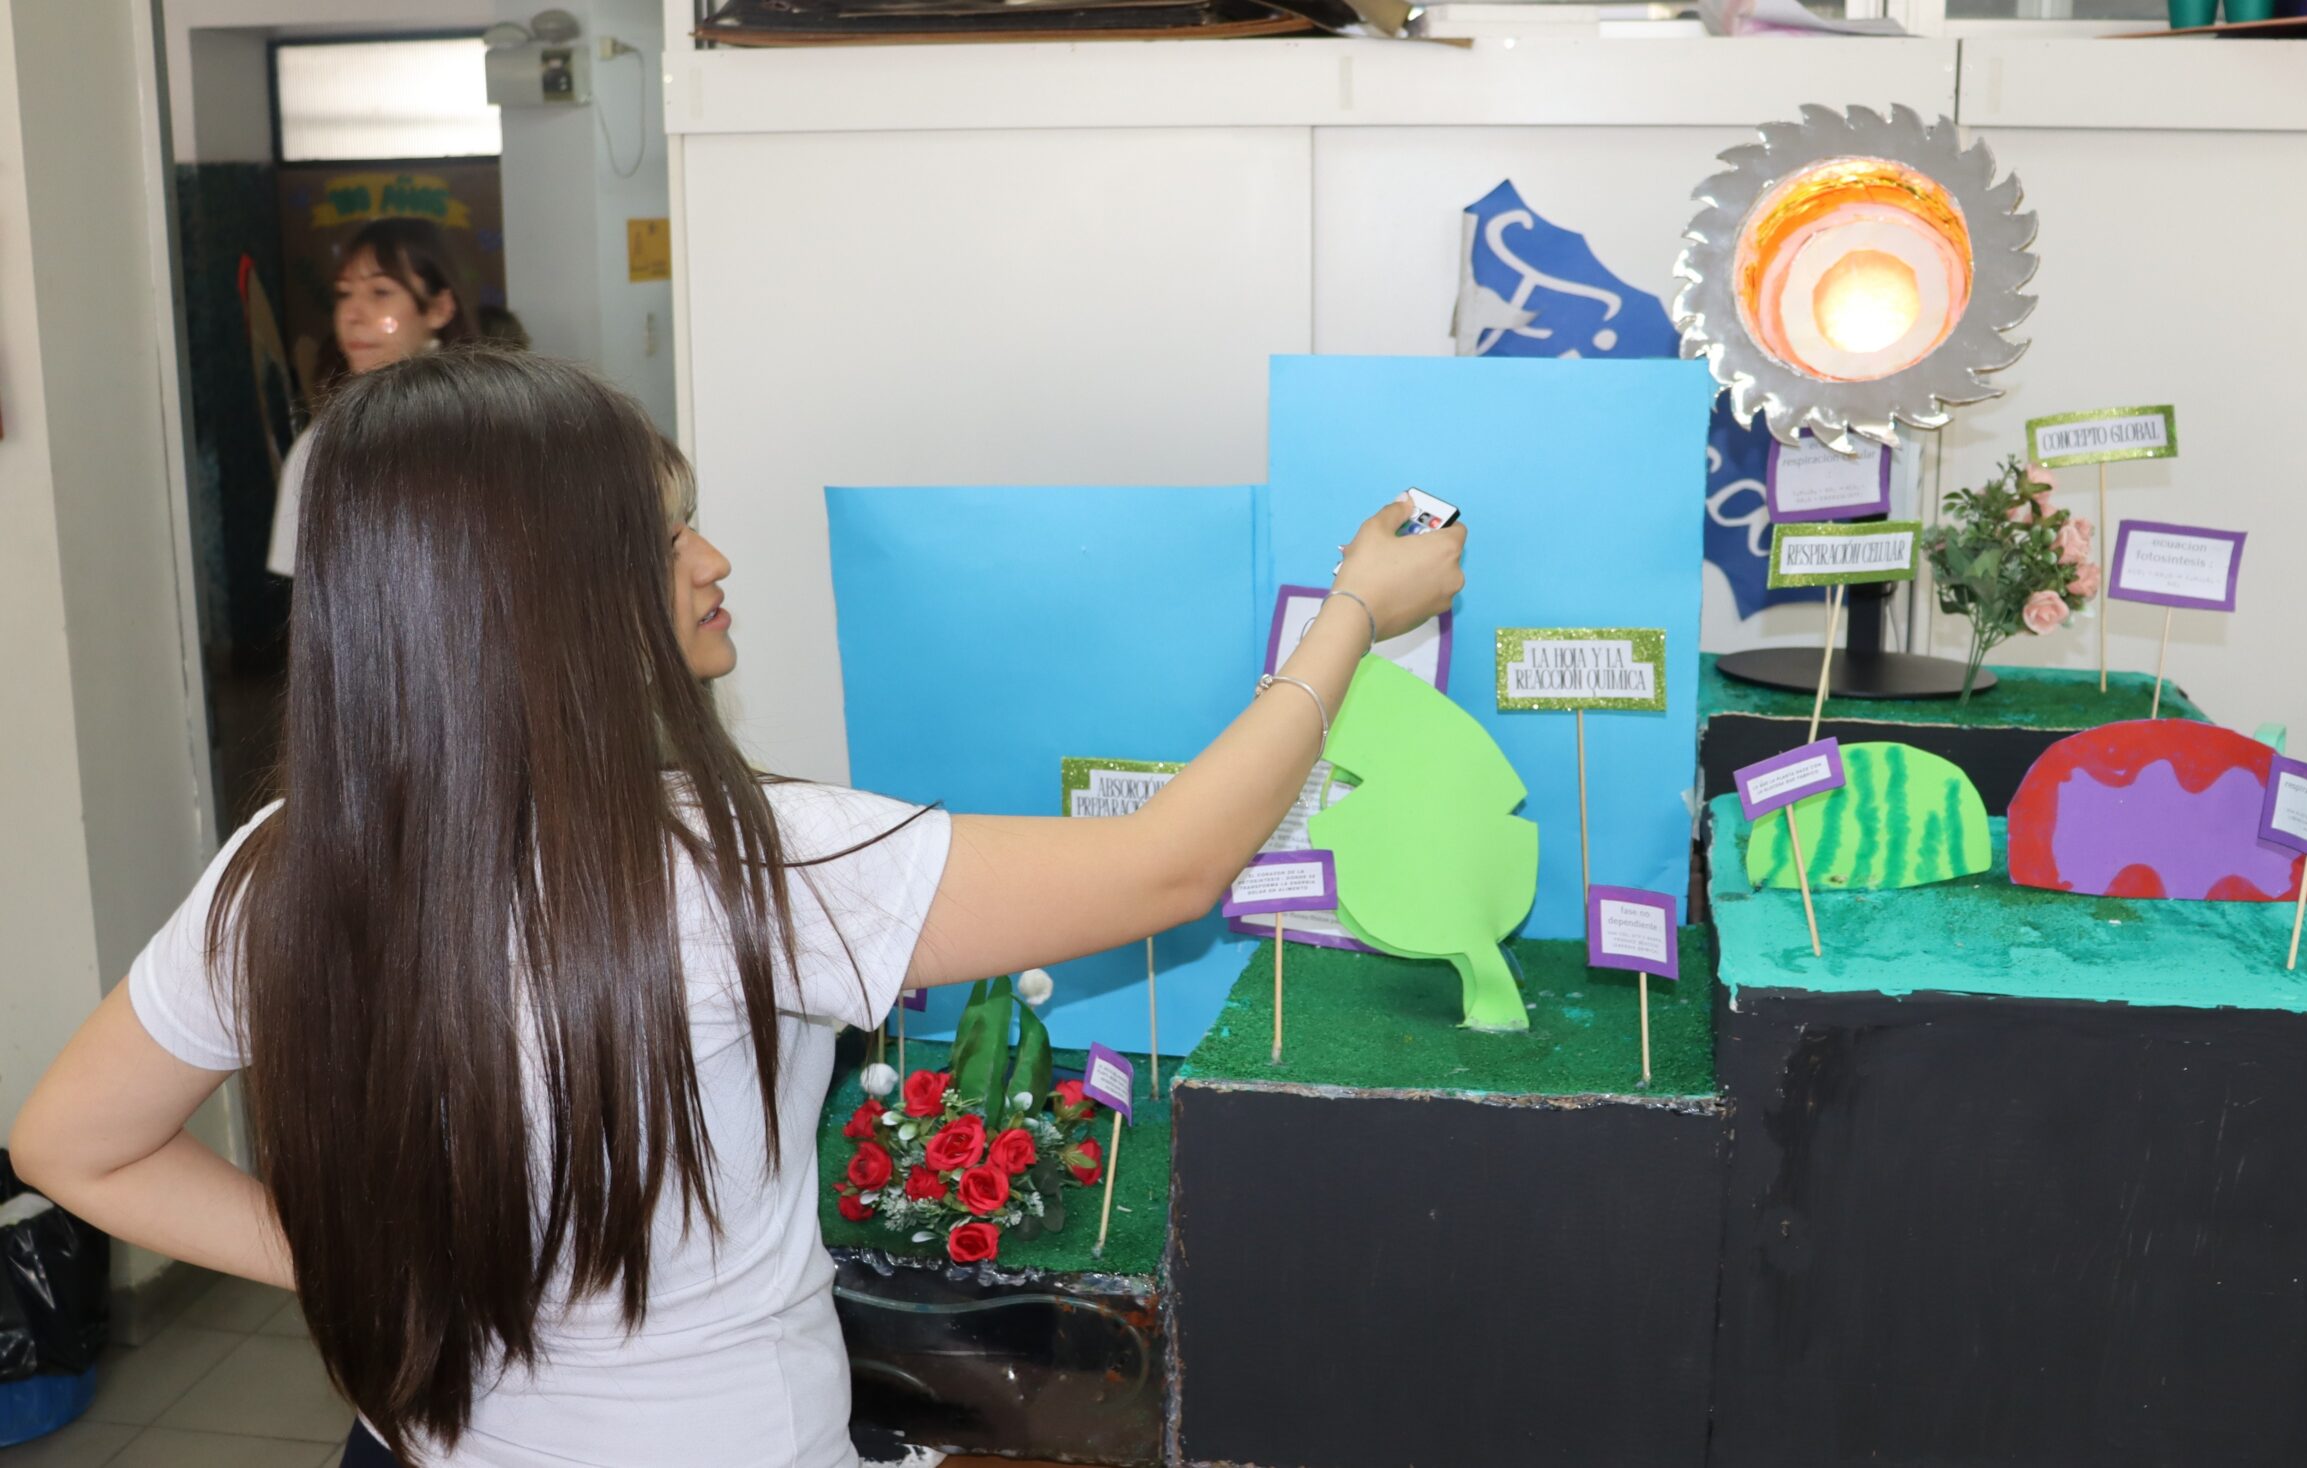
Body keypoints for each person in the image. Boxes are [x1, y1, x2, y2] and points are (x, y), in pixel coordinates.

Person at [9, 350, 1463, 1467]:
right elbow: (1168, 868)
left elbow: (70, 1141)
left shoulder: (279, 870)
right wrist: (1352, 615)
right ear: (543, 596)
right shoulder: (727, 865)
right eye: (667, 536)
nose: (712, 563)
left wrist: (375, 1276)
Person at [266, 217, 480, 578]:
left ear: (440, 308)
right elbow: (303, 585)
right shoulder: (325, 443)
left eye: (380, 292)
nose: (352, 315)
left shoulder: (487, 423)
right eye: (344, 293)